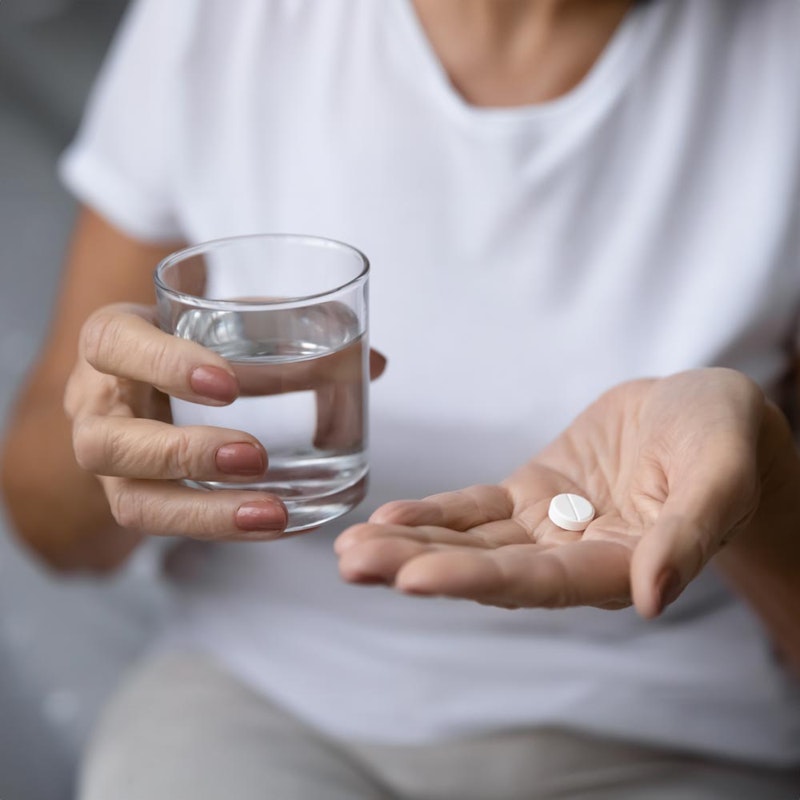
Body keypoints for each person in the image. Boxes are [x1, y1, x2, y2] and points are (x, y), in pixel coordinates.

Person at [2, 0, 799, 797]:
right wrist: (121, 430)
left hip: (667, 726)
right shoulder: (222, 19)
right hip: (267, 695)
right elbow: (50, 533)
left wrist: (756, 484)